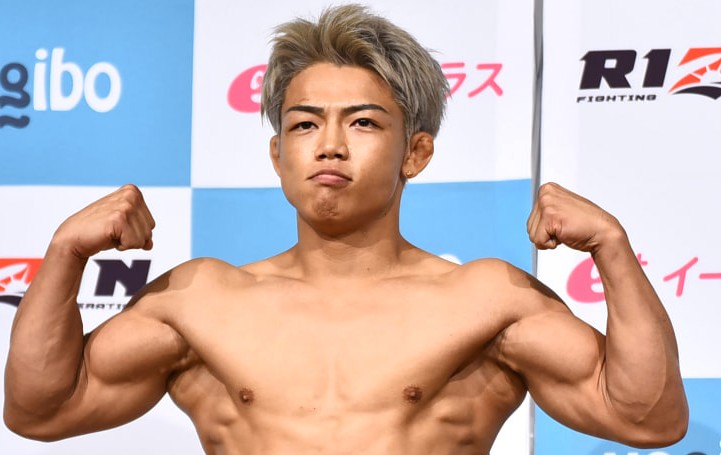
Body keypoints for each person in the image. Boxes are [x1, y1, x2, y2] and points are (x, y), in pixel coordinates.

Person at [4, 4, 687, 454]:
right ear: (278, 154)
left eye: (362, 122)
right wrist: (64, 253)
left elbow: (646, 417)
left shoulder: (485, 300)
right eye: (304, 124)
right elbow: (41, 409)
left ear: (416, 152)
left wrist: (611, 247)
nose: (329, 145)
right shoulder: (200, 300)